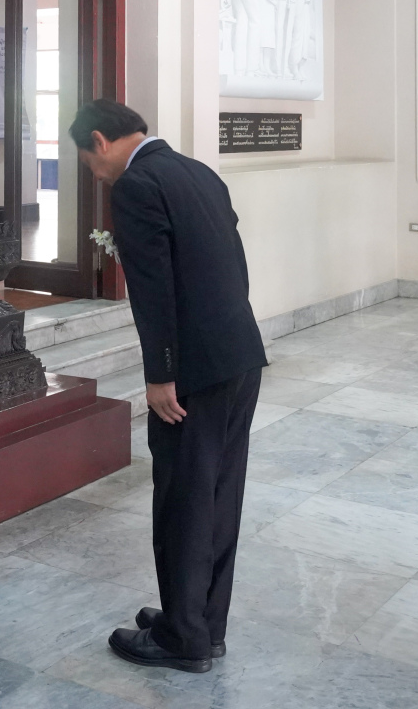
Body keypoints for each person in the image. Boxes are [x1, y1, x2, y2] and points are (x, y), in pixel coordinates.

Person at [69, 100, 267, 675]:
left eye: (89, 162)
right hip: (239, 354)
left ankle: (183, 638)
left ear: (100, 141)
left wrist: (160, 374)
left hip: (192, 372)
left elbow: (153, 289)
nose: (95, 174)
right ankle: (203, 622)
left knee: (183, 497)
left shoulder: (137, 186)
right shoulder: (197, 172)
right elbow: (235, 267)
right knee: (220, 494)